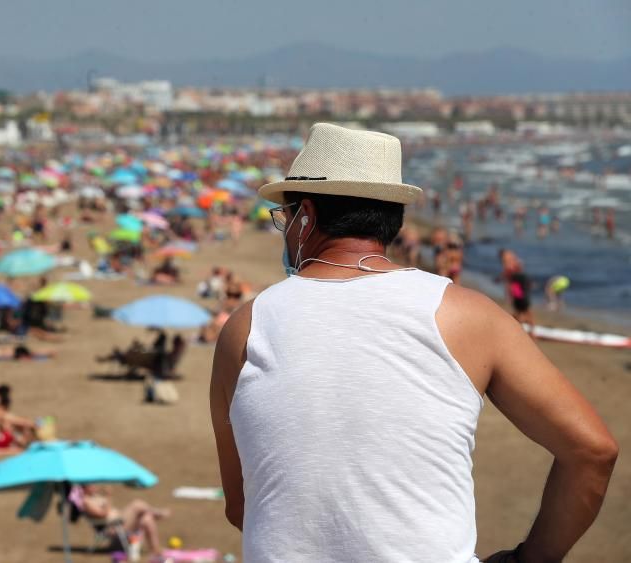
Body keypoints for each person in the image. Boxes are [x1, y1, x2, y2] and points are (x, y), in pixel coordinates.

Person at [211, 123, 616, 563]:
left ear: (305, 215)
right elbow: (592, 451)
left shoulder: (246, 327)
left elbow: (243, 506)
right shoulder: (467, 316)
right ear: (393, 216)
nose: (285, 229)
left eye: (284, 217)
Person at [79, 484, 171, 556]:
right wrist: (108, 496)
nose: (95, 486)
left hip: (119, 522)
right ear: (84, 488)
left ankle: (156, 549)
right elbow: (103, 513)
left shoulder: (95, 496)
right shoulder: (86, 501)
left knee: (147, 519)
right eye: (91, 485)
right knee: (137, 504)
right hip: (112, 528)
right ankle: (157, 513)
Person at [499, 249, 534, 327]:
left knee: (522, 309)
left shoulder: (508, 262)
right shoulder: (511, 259)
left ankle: (524, 326)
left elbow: (508, 281)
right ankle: (527, 328)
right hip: (519, 285)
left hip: (518, 285)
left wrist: (508, 294)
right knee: (524, 309)